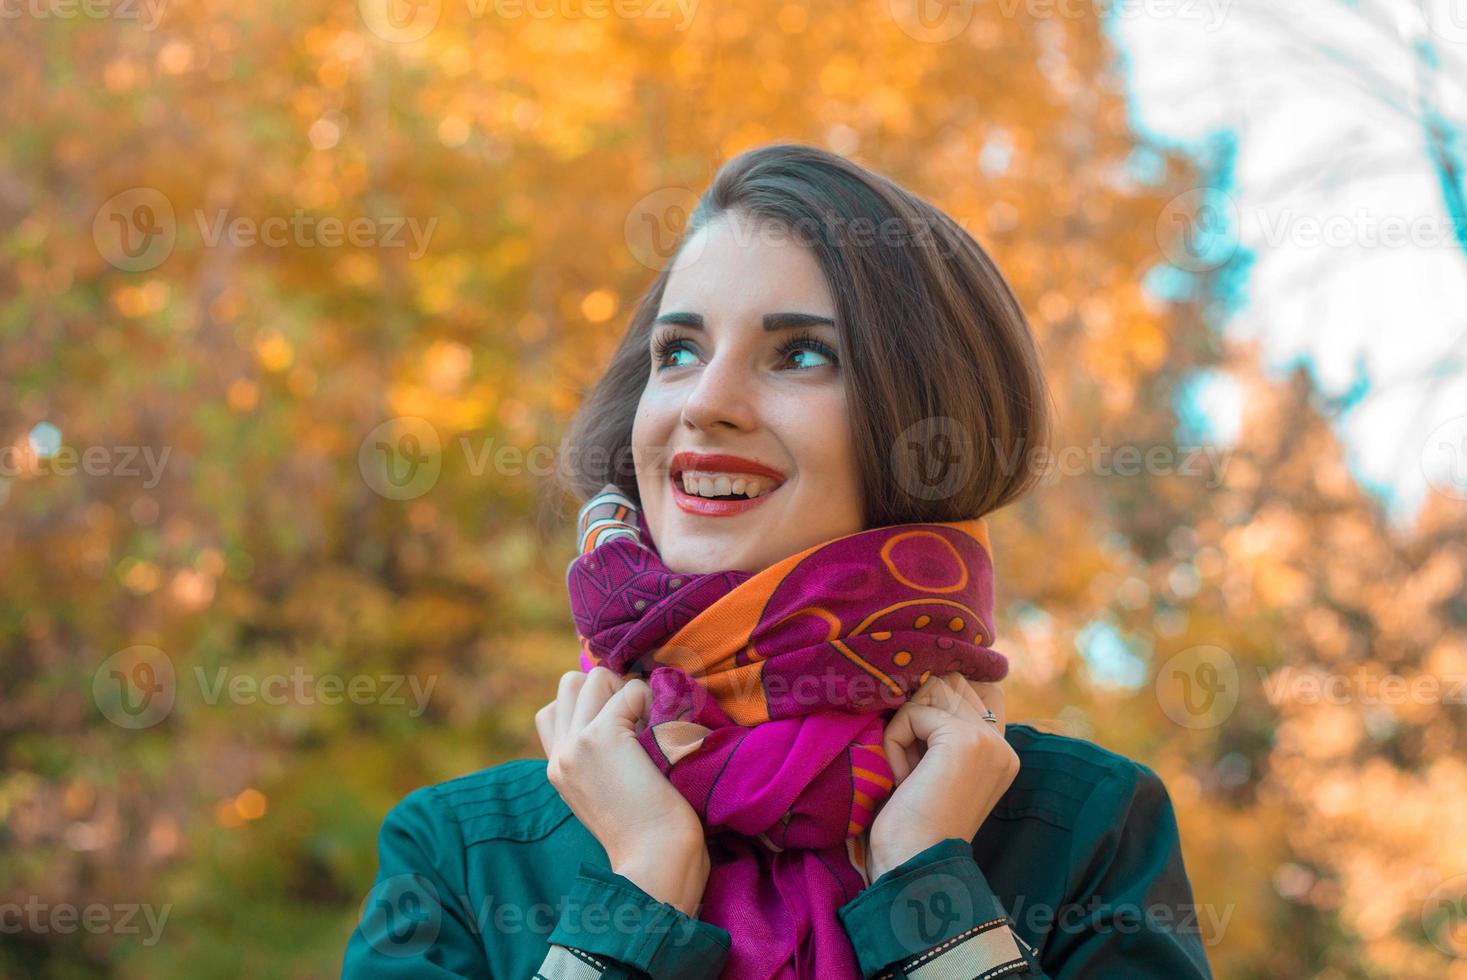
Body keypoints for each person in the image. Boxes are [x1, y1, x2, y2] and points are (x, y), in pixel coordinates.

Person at [342, 143, 1213, 979]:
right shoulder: (458, 854)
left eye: (800, 354)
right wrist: (639, 889)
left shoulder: (1086, 827)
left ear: (924, 424)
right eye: (678, 352)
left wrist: (930, 890)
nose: (706, 403)